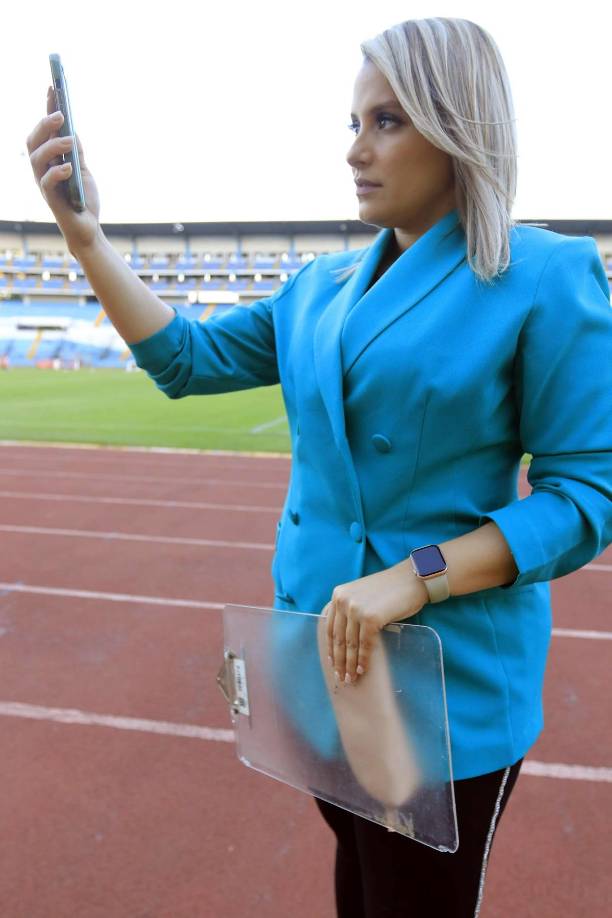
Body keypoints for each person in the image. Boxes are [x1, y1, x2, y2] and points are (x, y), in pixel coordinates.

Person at [26, 16, 612, 917]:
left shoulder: (544, 274)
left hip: (441, 681)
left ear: (456, 126)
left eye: (387, 122)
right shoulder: (318, 287)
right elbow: (184, 360)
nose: (354, 152)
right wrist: (87, 240)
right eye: (353, 124)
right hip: (320, 658)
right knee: (358, 884)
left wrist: (415, 578)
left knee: (412, 901)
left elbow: (586, 499)